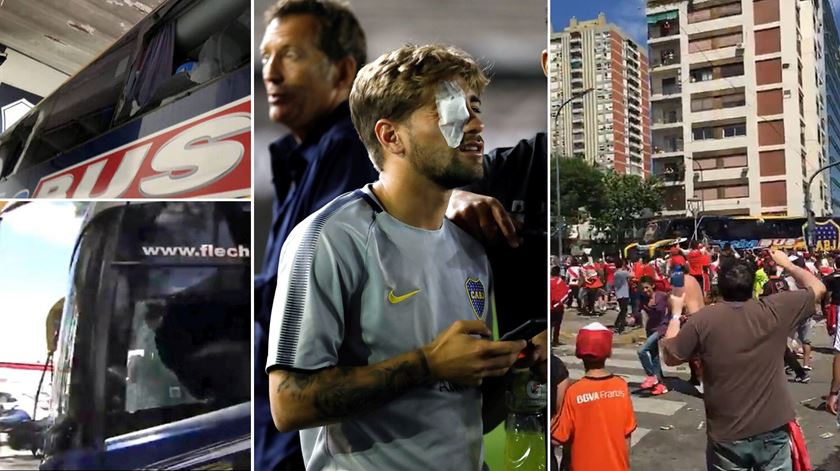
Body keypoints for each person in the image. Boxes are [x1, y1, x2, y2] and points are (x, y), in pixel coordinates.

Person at [266, 44, 527, 470]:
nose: (476, 124)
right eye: (452, 110)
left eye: (475, 108)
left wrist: (507, 372)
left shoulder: (470, 247)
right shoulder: (331, 238)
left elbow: (465, 415)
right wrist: (428, 364)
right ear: (391, 137)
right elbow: (288, 404)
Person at [254, 2, 378, 469]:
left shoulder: (346, 150)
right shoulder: (300, 160)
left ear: (343, 71)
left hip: (307, 443)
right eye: (267, 57)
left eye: (291, 55)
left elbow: (303, 297)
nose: (272, 73)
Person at [661, 250, 826, 470]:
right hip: (772, 426)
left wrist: (675, 313)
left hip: (727, 432)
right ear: (751, 285)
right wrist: (788, 265)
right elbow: (818, 288)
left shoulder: (703, 321)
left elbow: (670, 357)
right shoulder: (774, 309)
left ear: (720, 287)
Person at [552, 323, 635, 471]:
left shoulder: (574, 392)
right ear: (608, 353)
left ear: (579, 353)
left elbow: (558, 436)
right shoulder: (621, 387)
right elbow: (627, 434)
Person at [637, 277, 669, 395]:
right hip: (650, 329)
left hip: (661, 329)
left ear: (653, 286)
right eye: (643, 288)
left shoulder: (662, 296)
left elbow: (671, 308)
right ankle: (660, 384)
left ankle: (652, 376)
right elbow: (637, 311)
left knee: (641, 351)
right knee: (654, 357)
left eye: (647, 287)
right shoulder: (643, 298)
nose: (645, 290)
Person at [612, 260, 632, 334]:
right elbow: (632, 275)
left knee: (623, 310)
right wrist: (628, 267)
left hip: (619, 294)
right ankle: (620, 327)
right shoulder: (623, 273)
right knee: (624, 311)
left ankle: (618, 324)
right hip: (625, 293)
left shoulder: (615, 273)